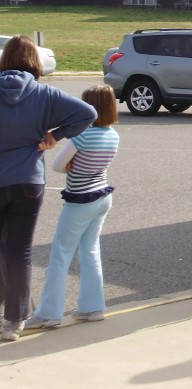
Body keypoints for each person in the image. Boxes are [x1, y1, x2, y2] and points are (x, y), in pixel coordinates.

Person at [0, 35, 97, 342]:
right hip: (28, 180)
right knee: (20, 252)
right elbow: (88, 114)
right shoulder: (45, 94)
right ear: (35, 62)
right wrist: (55, 135)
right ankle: (14, 321)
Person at [26, 85, 120, 329]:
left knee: (61, 254)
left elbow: (58, 165)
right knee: (90, 251)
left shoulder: (82, 135)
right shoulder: (113, 135)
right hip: (102, 195)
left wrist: (72, 166)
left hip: (80, 199)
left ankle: (49, 313)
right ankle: (93, 307)